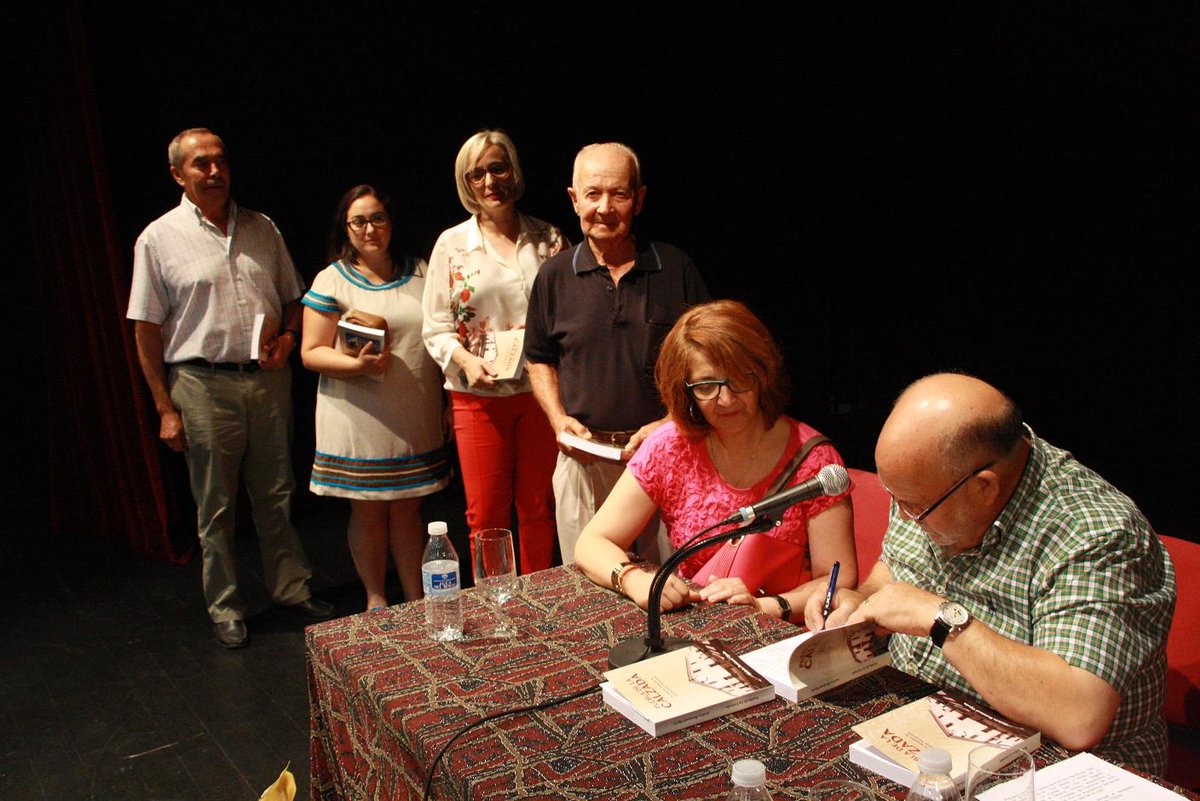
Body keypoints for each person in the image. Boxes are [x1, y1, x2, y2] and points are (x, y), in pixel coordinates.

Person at [814, 373, 1175, 775]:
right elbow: (894, 571)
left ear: (983, 487)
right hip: (924, 727)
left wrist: (941, 618)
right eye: (893, 498)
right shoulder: (932, 485)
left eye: (912, 506)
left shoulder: (1096, 533)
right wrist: (865, 599)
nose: (902, 515)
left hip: (1059, 769)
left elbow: (1078, 715)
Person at [127, 128, 333, 649]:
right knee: (215, 505)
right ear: (178, 174)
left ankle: (290, 589)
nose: (214, 171)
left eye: (220, 161)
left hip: (266, 381)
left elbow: (293, 299)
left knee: (276, 493)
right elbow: (145, 328)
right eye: (201, 163)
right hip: (201, 384)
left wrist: (289, 339)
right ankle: (225, 605)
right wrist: (164, 407)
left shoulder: (262, 227)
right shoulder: (158, 238)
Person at [574, 300, 857, 619]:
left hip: (784, 628)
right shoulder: (670, 447)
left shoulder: (814, 458)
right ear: (686, 391)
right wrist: (632, 578)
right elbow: (591, 542)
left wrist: (764, 606)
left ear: (763, 374)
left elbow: (839, 579)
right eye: (707, 386)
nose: (726, 399)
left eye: (739, 379)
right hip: (702, 623)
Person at [525, 142, 710, 564]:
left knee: (670, 580)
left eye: (619, 194)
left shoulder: (675, 268)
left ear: (639, 199)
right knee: (584, 581)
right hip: (583, 461)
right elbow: (539, 359)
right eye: (593, 194)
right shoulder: (553, 276)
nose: (605, 208)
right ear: (574, 200)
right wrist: (557, 419)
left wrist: (671, 421)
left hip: (666, 455)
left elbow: (708, 360)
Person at [302, 185, 452, 611]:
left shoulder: (421, 272)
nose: (370, 229)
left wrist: (447, 402)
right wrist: (359, 366)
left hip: (413, 412)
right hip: (358, 416)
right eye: (359, 221)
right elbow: (311, 352)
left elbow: (441, 336)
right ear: (346, 228)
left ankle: (415, 599)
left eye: (378, 218)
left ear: (391, 222)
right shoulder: (332, 279)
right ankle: (376, 599)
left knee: (408, 510)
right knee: (368, 511)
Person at [422, 131, 565, 574]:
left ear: (513, 170)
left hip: (540, 394)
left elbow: (567, 314)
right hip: (478, 397)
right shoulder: (451, 244)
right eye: (477, 174)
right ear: (466, 182)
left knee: (539, 507)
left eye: (497, 168)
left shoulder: (548, 238)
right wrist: (466, 361)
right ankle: (494, 600)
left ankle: (539, 595)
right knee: (485, 514)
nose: (489, 181)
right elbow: (435, 326)